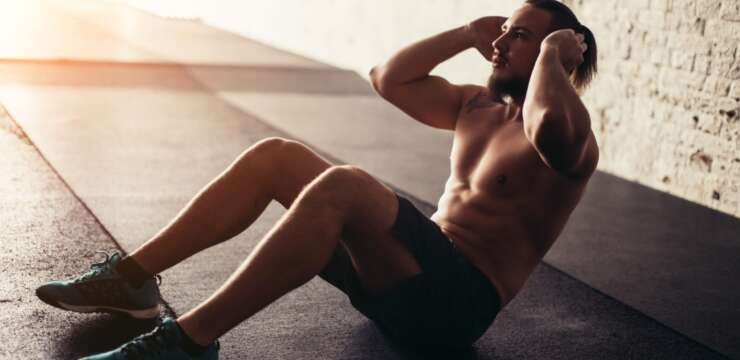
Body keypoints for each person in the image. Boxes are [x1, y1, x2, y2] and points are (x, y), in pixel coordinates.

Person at [36, 1, 599, 359]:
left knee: (346, 186)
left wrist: (551, 52)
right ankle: (133, 278)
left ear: (560, 52)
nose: (500, 42)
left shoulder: (571, 135)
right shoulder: (474, 105)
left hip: (454, 308)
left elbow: (547, 127)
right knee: (277, 156)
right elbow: (388, 78)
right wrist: (464, 32)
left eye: (518, 36)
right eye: (505, 29)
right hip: (400, 280)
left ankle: (184, 343)